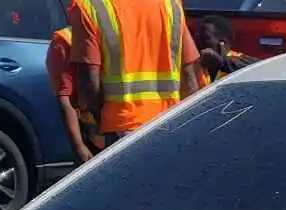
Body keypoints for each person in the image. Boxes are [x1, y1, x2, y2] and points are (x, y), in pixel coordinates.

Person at [69, 0, 203, 150]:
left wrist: (100, 116)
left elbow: (89, 80)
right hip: (170, 122)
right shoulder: (170, 5)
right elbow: (189, 77)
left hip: (122, 124)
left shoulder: (89, 7)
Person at [46, 24, 102, 164]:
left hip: (138, 128)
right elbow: (65, 100)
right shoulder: (65, 41)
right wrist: (79, 147)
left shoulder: (115, 31)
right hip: (100, 141)